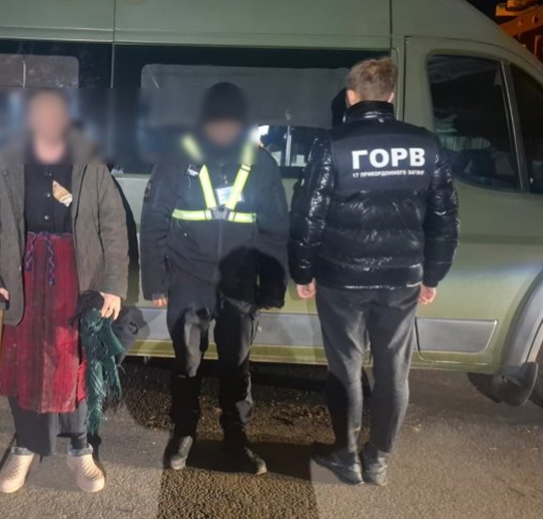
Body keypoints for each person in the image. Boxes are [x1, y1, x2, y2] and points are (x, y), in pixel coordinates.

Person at [289, 58, 460, 486]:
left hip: (341, 278)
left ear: (351, 97)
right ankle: (378, 459)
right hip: (402, 279)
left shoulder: (332, 144)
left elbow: (308, 215)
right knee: (394, 371)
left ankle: (346, 456)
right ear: (391, 96)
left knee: (345, 367)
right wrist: (433, 275)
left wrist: (303, 271)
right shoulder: (425, 144)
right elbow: (444, 218)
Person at [0, 90, 128, 494]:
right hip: (22, 274)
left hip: (76, 276)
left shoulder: (89, 164)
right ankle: (25, 446)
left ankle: (80, 448)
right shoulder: (10, 163)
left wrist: (113, 286)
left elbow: (113, 226)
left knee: (74, 361)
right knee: (23, 363)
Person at [140, 82, 289, 474]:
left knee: (237, 364)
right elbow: (153, 224)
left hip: (241, 282)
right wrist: (155, 282)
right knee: (187, 363)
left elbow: (275, 230)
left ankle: (236, 436)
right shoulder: (177, 159)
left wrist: (273, 286)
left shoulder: (261, 164)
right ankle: (184, 431)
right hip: (188, 278)